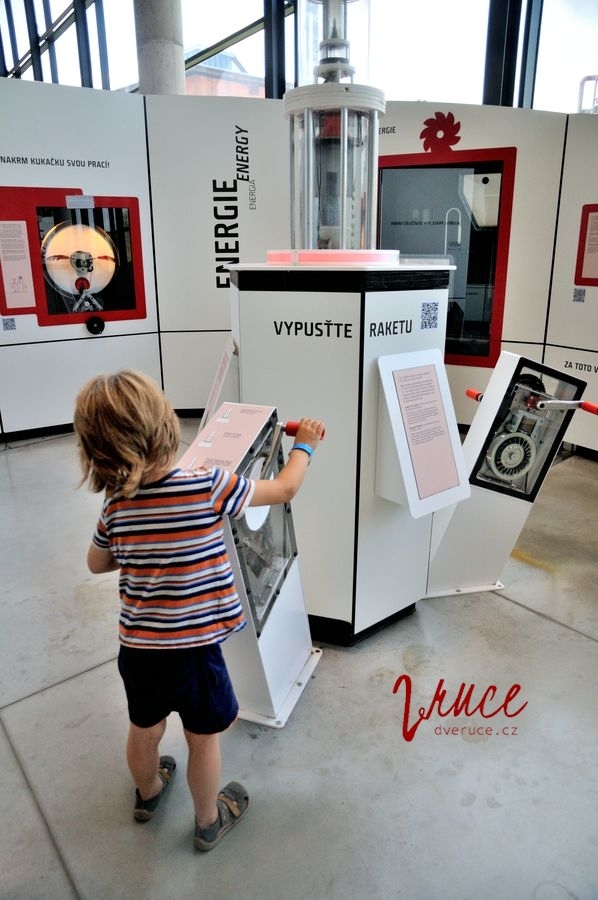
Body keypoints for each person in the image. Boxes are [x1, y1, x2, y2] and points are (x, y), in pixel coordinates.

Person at [73, 369, 325, 851]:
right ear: (164, 425)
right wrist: (305, 447)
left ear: (96, 450)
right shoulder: (207, 485)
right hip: (195, 653)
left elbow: (96, 562)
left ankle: (149, 792)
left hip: (139, 651)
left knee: (144, 728)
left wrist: (141, 549)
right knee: (203, 738)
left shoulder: (115, 507)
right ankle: (209, 820)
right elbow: (284, 490)